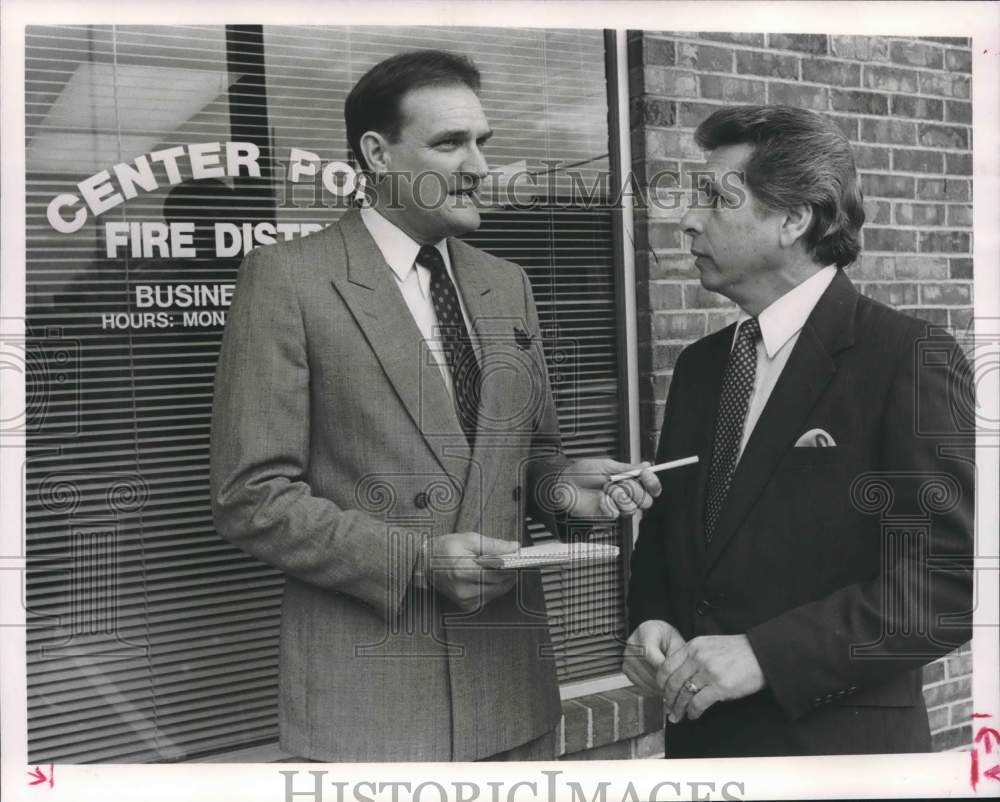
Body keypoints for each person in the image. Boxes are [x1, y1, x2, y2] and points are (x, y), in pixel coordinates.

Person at [210, 49, 659, 762]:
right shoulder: (289, 280)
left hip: (513, 696)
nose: (480, 166)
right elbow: (251, 497)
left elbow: (529, 457)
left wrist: (569, 487)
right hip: (372, 707)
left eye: (484, 141)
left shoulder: (505, 284)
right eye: (450, 143)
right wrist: (417, 561)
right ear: (377, 154)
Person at [624, 105, 974, 757]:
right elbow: (672, 539)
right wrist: (651, 619)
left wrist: (764, 655)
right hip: (705, 755)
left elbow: (948, 586)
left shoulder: (905, 358)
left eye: (714, 198)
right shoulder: (700, 369)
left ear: (795, 218)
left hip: (841, 759)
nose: (687, 219)